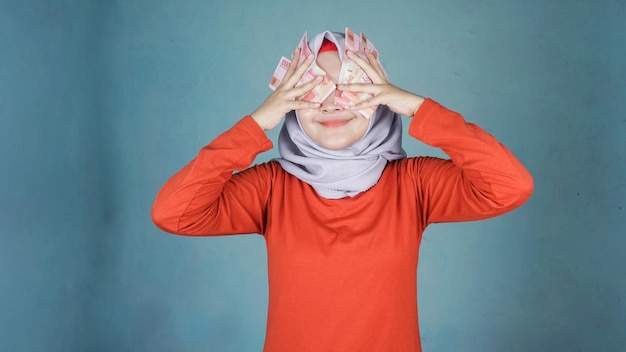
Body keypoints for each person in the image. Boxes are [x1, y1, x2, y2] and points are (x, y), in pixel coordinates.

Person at [151, 30, 534, 352]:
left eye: (350, 88)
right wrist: (255, 124)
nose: (331, 104)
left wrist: (418, 108)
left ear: (380, 96)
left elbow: (510, 186)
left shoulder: (413, 184)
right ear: (288, 103)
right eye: (312, 92)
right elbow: (173, 212)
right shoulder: (271, 187)